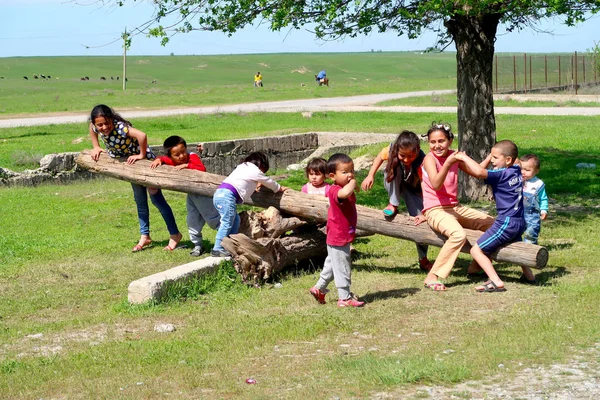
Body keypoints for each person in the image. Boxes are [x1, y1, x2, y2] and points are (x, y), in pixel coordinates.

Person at [88, 104, 182, 253]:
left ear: (112, 119)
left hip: (145, 166)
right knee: (140, 202)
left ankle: (174, 234)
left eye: (107, 123)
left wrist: (141, 155)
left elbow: (142, 135)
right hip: (131, 168)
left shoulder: (120, 128)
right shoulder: (95, 126)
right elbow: (91, 129)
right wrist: (96, 146)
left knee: (157, 200)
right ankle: (145, 236)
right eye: (100, 124)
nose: (104, 127)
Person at [415, 122, 495, 291]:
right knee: (458, 234)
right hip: (435, 210)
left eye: (441, 141)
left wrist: (490, 155)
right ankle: (433, 275)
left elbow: (478, 171)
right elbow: (436, 184)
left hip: (455, 207)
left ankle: (476, 264)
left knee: (493, 224)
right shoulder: (429, 159)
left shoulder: (453, 156)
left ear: (450, 141)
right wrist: (449, 162)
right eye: (433, 142)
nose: (437, 146)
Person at [454, 140, 527, 292]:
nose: (492, 160)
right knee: (516, 243)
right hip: (519, 221)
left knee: (476, 250)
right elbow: (512, 156)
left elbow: (479, 172)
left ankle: (495, 281)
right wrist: (492, 155)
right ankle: (529, 275)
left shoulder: (500, 174)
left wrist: (463, 157)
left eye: (495, 157)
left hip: (506, 222)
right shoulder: (516, 169)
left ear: (507, 160)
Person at [361, 130, 433, 272]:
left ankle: (423, 259)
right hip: (396, 183)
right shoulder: (392, 148)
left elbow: (425, 184)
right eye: (403, 156)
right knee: (390, 169)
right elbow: (379, 158)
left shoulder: (423, 160)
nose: (406, 160)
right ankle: (393, 203)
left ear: (418, 150)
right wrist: (370, 175)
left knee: (420, 224)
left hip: (414, 190)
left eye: (411, 156)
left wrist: (426, 209)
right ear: (397, 149)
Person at [309, 153, 365, 308]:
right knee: (343, 266)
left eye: (352, 170)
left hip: (342, 234)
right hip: (338, 235)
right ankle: (344, 297)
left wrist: (352, 184)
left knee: (333, 264)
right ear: (332, 176)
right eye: (345, 172)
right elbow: (345, 194)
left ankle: (319, 288)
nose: (350, 175)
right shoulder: (334, 190)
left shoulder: (342, 186)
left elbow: (350, 193)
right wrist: (353, 183)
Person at [150, 135, 220, 257]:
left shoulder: (192, 157)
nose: (182, 156)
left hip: (203, 194)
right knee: (192, 220)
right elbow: (165, 159)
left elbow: (202, 169)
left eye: (183, 152)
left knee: (213, 220)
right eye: (177, 155)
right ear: (171, 156)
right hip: (192, 196)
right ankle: (197, 244)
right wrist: (159, 160)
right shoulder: (171, 159)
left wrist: (188, 166)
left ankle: (226, 241)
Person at [212, 152, 285, 257]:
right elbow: (268, 181)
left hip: (221, 194)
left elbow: (245, 183)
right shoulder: (254, 170)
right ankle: (218, 248)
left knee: (235, 220)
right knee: (227, 222)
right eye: (264, 171)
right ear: (261, 165)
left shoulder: (243, 167)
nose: (263, 173)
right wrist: (279, 188)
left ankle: (230, 243)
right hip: (227, 196)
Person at [519, 153, 548, 284]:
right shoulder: (518, 180)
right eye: (522, 169)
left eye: (527, 170)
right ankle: (519, 252)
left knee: (531, 234)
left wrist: (543, 210)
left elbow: (543, 198)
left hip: (532, 214)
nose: (523, 172)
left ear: (536, 171)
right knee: (517, 233)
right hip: (519, 212)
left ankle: (529, 256)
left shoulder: (538, 184)